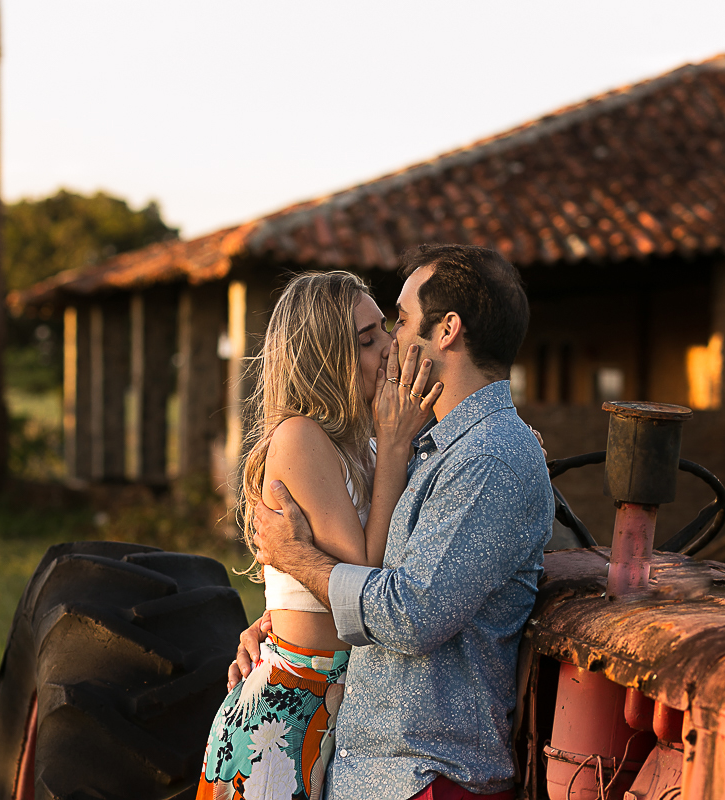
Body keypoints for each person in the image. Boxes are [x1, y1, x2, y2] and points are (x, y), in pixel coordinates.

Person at [245, 244, 554, 800]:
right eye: (375, 335)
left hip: (421, 774)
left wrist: (299, 562)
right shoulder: (436, 451)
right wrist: (276, 622)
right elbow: (376, 569)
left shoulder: (487, 458)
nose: (393, 342)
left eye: (402, 321)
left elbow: (409, 614)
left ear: (447, 331)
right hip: (377, 768)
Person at [196, 271, 443, 800]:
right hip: (284, 713)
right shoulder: (300, 437)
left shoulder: (366, 445)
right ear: (324, 355)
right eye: (368, 338)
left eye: (385, 329)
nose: (390, 348)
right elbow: (366, 578)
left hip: (337, 707)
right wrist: (397, 448)